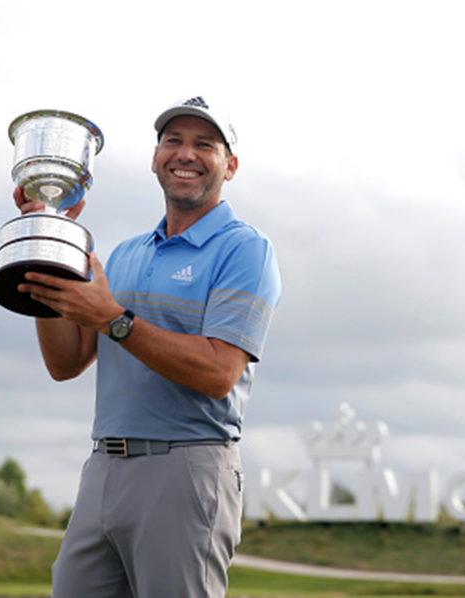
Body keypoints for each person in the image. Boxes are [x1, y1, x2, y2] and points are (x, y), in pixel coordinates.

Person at [14, 96, 282, 597]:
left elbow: (218, 373)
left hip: (186, 468)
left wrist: (114, 320)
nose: (186, 153)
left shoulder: (246, 249)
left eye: (205, 144)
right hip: (103, 469)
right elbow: (65, 362)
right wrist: (49, 241)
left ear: (231, 165)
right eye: (173, 141)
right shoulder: (126, 252)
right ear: (155, 157)